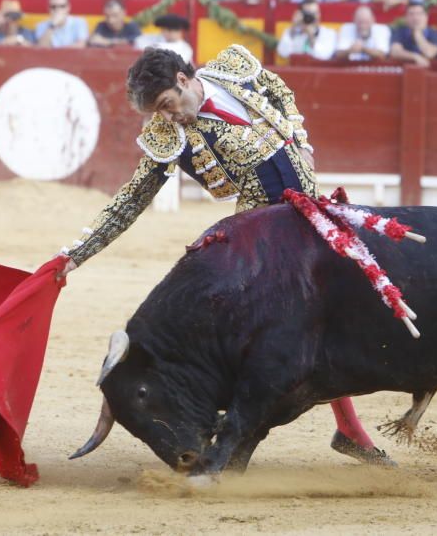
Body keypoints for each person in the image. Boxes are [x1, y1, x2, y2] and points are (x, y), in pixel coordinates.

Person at [55, 43, 395, 469]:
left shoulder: (233, 69)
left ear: (183, 80)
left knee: (330, 320)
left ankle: (346, 431)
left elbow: (278, 90)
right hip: (266, 240)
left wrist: (301, 138)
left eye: (167, 104)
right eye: (157, 113)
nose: (167, 117)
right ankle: (221, 418)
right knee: (288, 333)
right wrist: (76, 254)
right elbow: (130, 200)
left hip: (311, 215)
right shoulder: (170, 137)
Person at [389, 1, 437, 66]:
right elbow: (395, 52)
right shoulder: (399, 32)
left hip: (430, 71)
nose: (415, 18)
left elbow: (429, 53)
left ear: (426, 17)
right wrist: (415, 57)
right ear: (406, 18)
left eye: (419, 14)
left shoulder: (435, 33)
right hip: (404, 70)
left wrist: (417, 32)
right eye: (411, 14)